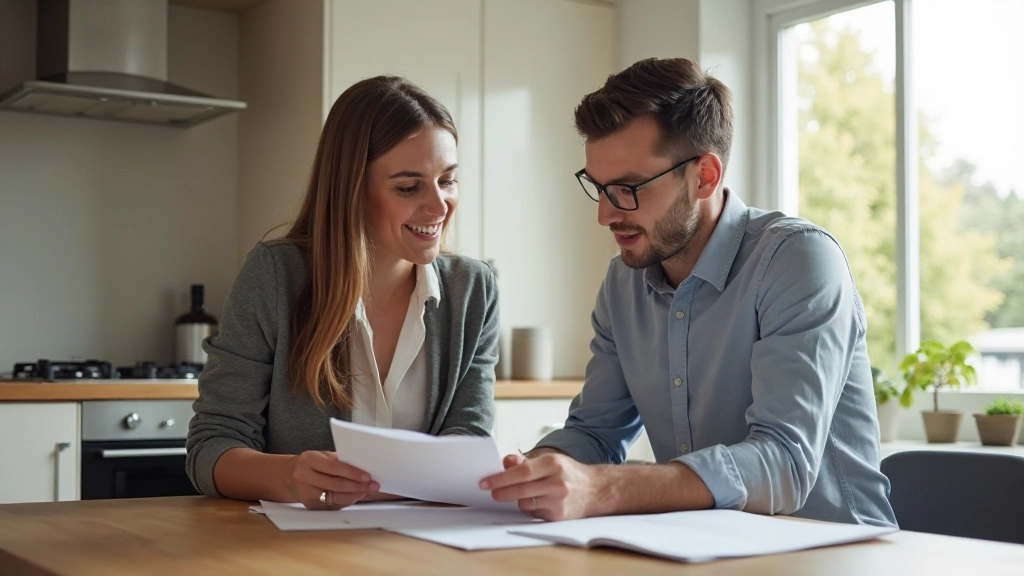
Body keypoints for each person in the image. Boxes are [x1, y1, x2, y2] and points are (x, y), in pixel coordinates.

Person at [480, 58, 896, 527]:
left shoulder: (797, 260)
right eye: (598, 188)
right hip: (704, 550)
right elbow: (594, 434)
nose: (605, 215)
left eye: (628, 188)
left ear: (705, 176)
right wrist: (518, 476)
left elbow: (784, 465)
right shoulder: (623, 283)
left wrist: (602, 488)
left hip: (839, 553)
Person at [187, 76, 499, 510]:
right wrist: (290, 476)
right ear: (352, 189)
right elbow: (212, 448)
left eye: (448, 180)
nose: (439, 205)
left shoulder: (473, 289)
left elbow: (469, 440)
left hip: (423, 547)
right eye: (409, 187)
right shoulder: (276, 275)